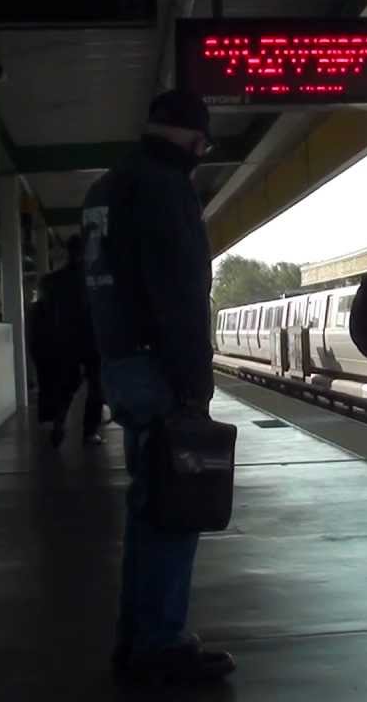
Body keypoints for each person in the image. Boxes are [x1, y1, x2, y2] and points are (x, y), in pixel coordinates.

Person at [81, 89, 234, 684]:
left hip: (120, 361)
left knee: (150, 505)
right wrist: (196, 384)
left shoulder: (106, 187)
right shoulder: (166, 189)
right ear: (196, 143)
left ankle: (138, 638)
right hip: (158, 367)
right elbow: (180, 293)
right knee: (176, 507)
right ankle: (161, 644)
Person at [32, 234, 104, 448]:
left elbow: (41, 315)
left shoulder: (51, 281)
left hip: (63, 343)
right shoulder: (95, 278)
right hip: (93, 341)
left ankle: (59, 422)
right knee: (96, 387)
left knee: (66, 387)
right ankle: (90, 432)